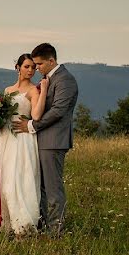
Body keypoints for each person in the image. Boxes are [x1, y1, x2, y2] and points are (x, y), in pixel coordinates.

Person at [13, 43, 78, 236]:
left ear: (51, 60)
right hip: (40, 141)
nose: (36, 68)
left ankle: (56, 231)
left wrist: (32, 125)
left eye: (39, 64)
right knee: (39, 186)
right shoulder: (47, 79)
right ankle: (41, 224)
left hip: (53, 141)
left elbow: (58, 111)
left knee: (52, 188)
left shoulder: (65, 80)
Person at [0, 54, 45, 235]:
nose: (31, 71)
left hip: (23, 138)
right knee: (3, 176)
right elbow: (3, 116)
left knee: (19, 178)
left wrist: (44, 90)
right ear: (17, 67)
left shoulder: (34, 90)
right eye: (27, 66)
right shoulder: (8, 90)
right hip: (5, 138)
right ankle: (1, 221)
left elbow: (37, 116)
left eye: (33, 67)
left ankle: (23, 223)